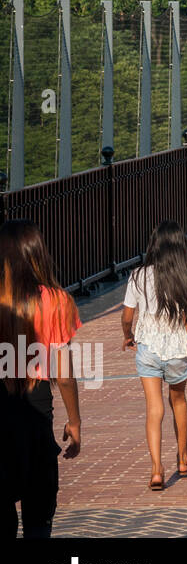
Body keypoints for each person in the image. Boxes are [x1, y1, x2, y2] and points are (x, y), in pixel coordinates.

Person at [0, 220, 81, 538]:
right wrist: (74, 421)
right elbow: (63, 375)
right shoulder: (57, 301)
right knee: (38, 515)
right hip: (36, 410)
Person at [121, 221, 187, 491]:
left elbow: (127, 316)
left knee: (153, 408)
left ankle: (157, 470)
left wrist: (128, 335)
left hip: (148, 347)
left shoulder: (137, 275)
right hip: (179, 349)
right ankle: (182, 458)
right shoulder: (185, 276)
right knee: (178, 400)